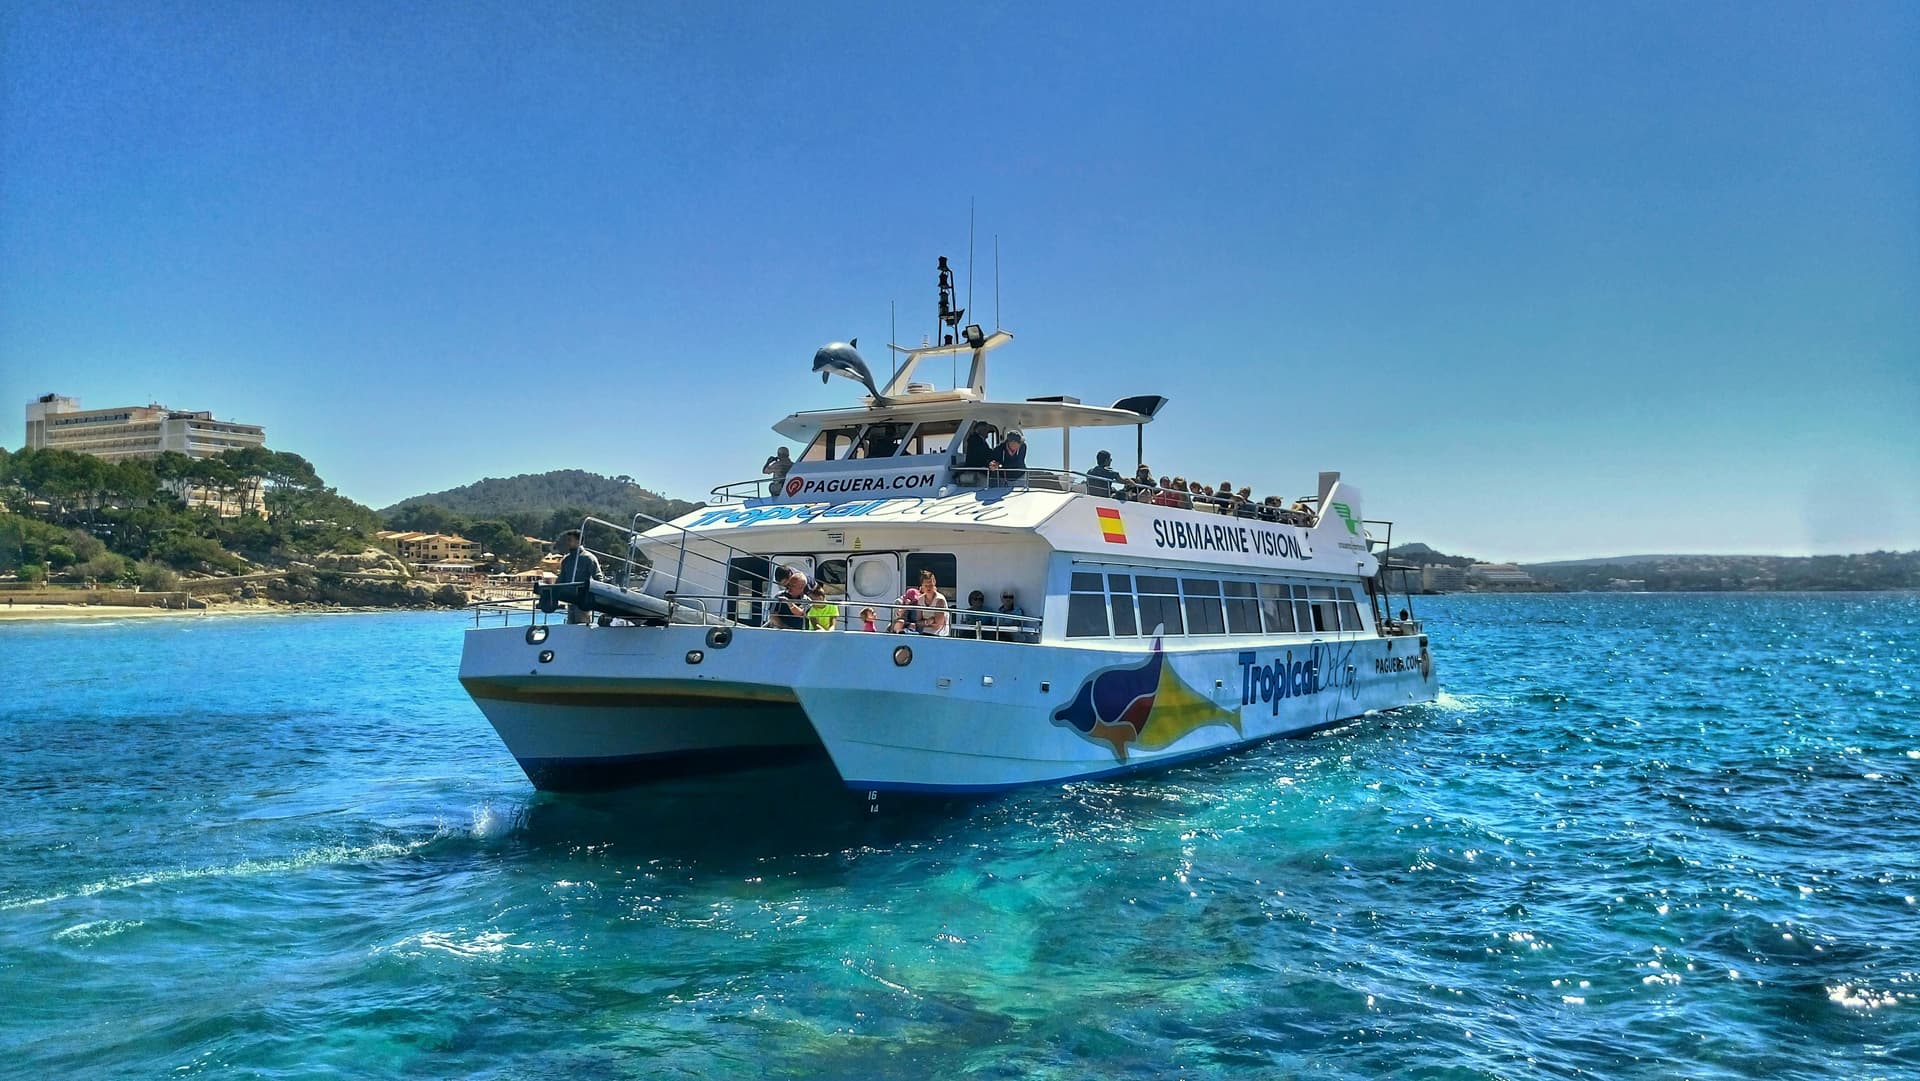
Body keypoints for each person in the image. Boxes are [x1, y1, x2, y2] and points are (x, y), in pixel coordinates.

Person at [556, 529, 601, 625]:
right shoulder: (566, 560)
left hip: (583, 601)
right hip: (570, 599)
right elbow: (561, 579)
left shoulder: (588, 558)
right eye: (567, 540)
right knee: (570, 627)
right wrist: (554, 592)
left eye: (570, 540)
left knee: (582, 626)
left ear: (578, 541)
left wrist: (593, 597)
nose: (567, 542)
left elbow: (598, 577)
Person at [915, 568, 950, 636]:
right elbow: (918, 623)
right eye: (926, 585)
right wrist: (929, 621)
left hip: (939, 635)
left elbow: (938, 625)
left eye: (930, 585)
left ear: (934, 583)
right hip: (923, 633)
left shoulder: (940, 600)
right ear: (922, 586)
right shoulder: (920, 599)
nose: (928, 588)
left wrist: (924, 623)